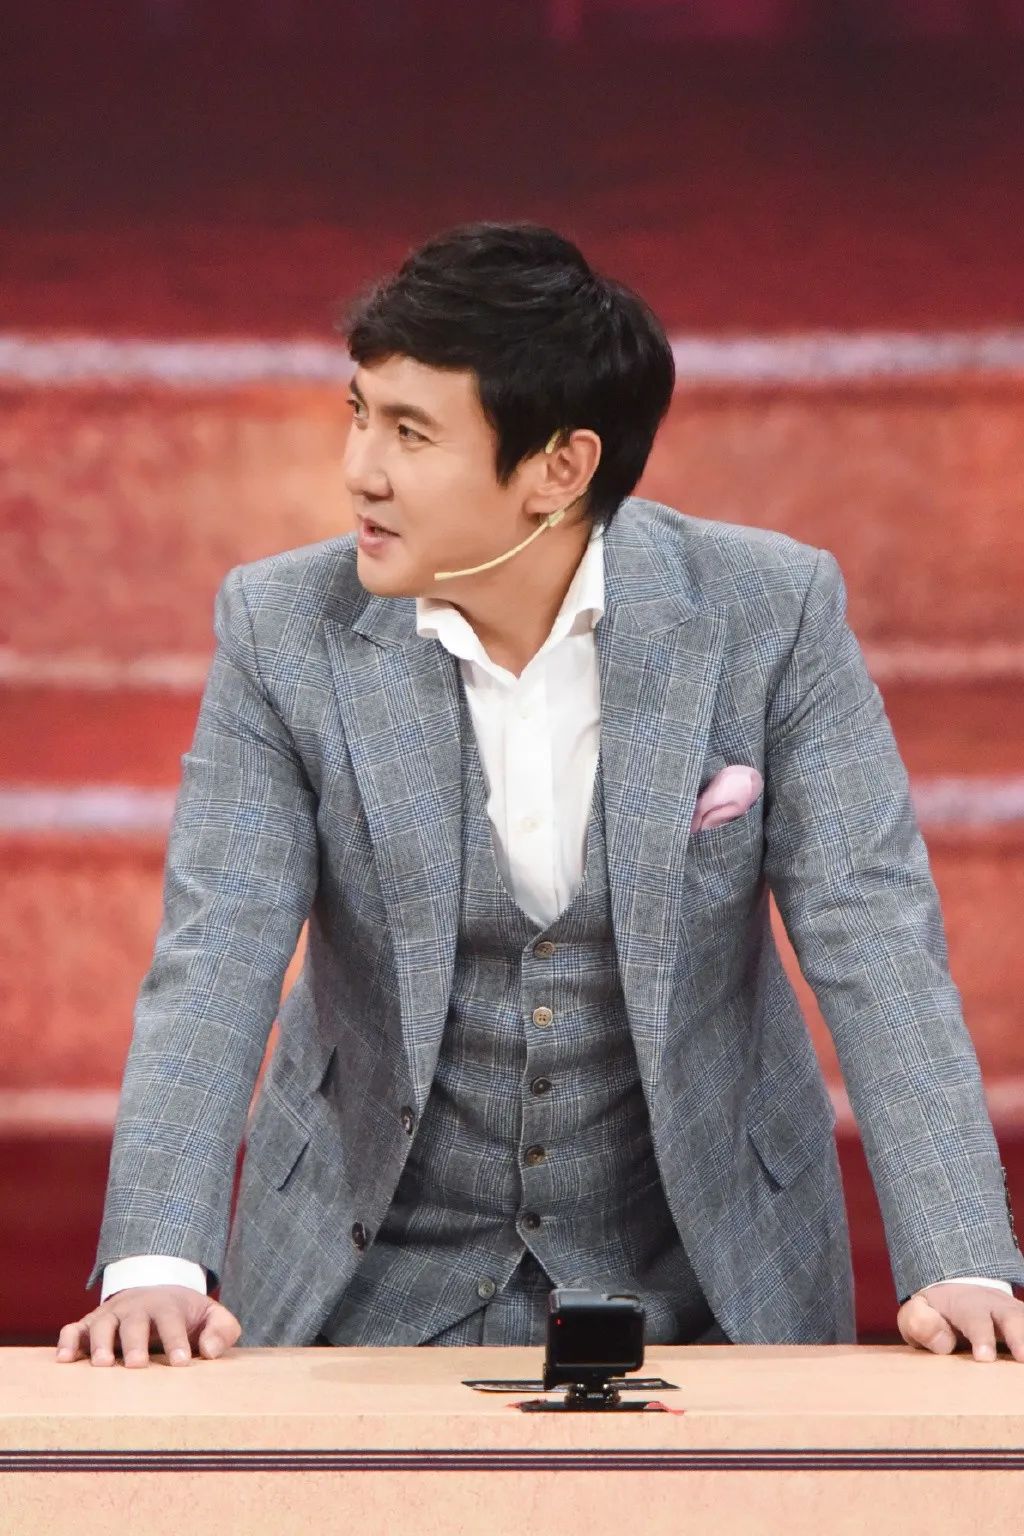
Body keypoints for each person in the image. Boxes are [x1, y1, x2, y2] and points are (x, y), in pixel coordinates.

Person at [58, 221, 1024, 1368]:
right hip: (366, 1273)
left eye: (411, 432)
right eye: (360, 413)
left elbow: (875, 937)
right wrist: (157, 1264)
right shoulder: (281, 630)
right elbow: (218, 947)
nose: (360, 469)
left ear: (560, 469)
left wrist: (961, 1258)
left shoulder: (769, 612)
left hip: (703, 1275)